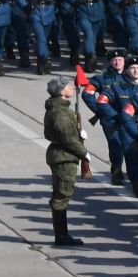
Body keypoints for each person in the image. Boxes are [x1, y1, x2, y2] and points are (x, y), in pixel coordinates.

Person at [42, 75, 88, 248]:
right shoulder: (60, 112)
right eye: (69, 86)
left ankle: (62, 234)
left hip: (62, 154)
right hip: (64, 156)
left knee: (62, 194)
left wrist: (79, 134)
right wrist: (84, 153)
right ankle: (61, 236)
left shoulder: (59, 109)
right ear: (62, 91)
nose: (72, 87)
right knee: (62, 196)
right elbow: (68, 138)